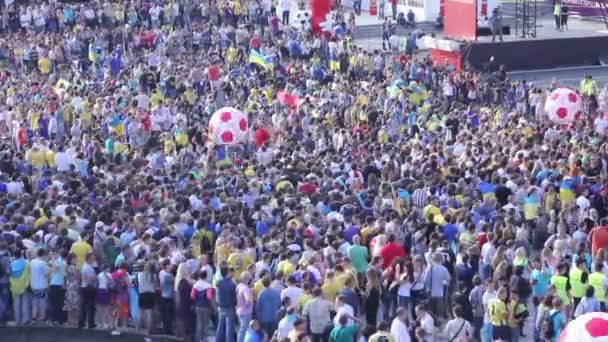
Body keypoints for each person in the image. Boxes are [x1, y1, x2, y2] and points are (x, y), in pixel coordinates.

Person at [192, 269, 214, 342]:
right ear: (206, 276)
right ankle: (204, 339)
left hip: (198, 306)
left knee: (199, 323)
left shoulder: (195, 285)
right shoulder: (208, 286)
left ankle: (198, 339)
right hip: (206, 307)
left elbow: (192, 296)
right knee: (206, 324)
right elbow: (209, 297)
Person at [216, 266, 237, 342]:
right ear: (227, 273)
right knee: (229, 328)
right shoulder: (232, 284)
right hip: (229, 307)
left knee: (220, 327)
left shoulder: (219, 282)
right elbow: (234, 297)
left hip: (220, 307)